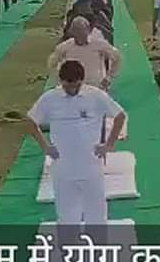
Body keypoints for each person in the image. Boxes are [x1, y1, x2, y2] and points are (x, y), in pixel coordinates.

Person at [26, 60, 127, 228]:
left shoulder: (95, 95)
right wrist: (45, 146)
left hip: (91, 164)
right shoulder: (50, 98)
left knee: (96, 213)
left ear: (82, 80)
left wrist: (109, 145)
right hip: (63, 166)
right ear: (61, 81)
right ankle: (69, 250)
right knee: (66, 215)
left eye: (76, 86)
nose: (72, 90)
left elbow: (120, 116)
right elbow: (30, 121)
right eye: (67, 86)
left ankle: (98, 249)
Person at [48, 16, 123, 90]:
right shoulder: (65, 47)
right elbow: (52, 63)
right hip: (73, 89)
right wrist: (59, 80)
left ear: (88, 30)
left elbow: (117, 57)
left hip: (96, 88)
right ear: (72, 32)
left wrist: (109, 77)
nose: (79, 34)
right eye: (77, 31)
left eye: (81, 31)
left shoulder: (99, 44)